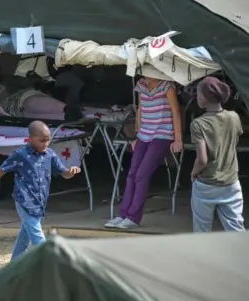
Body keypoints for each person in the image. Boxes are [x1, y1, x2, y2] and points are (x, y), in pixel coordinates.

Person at [0, 121, 80, 260]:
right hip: (24, 201)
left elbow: (63, 173)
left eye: (48, 140)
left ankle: (13, 268)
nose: (45, 144)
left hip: (40, 203)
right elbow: (0, 172)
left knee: (24, 239)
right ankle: (52, 266)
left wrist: (71, 172)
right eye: (41, 141)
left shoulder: (50, 154)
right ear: (30, 139)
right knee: (39, 240)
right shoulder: (20, 155)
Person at [105, 76, 183, 229]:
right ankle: (123, 214)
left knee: (142, 175)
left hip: (162, 133)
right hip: (144, 134)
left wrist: (178, 139)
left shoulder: (167, 86)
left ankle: (133, 217)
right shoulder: (141, 84)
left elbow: (175, 111)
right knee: (132, 174)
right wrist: (137, 134)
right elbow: (140, 109)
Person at [189, 77, 245, 232]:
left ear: (206, 97)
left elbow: (202, 160)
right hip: (231, 182)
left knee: (202, 230)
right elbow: (233, 141)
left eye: (198, 93)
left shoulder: (198, 124)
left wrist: (193, 173)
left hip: (207, 184)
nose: (197, 97)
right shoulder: (234, 117)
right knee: (235, 228)